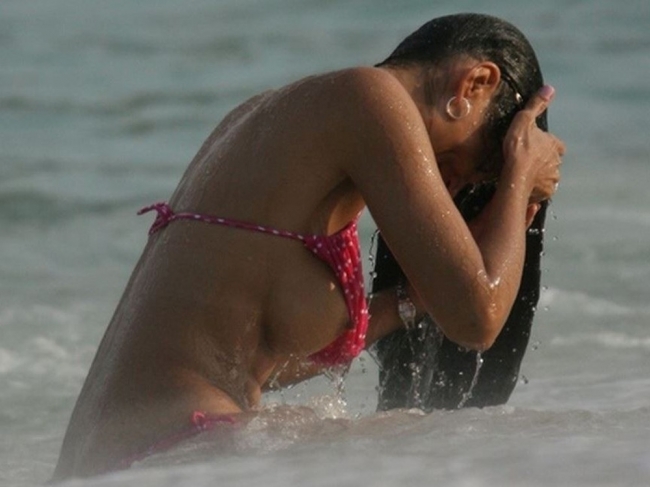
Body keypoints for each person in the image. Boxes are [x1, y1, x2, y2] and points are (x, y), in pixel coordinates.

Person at [51, 13, 564, 480]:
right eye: (475, 168)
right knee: (470, 451)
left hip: (114, 464)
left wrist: (410, 302)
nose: (452, 188)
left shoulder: (272, 117)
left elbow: (254, 363)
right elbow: (479, 319)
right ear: (476, 83)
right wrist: (519, 171)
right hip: (177, 453)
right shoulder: (373, 98)